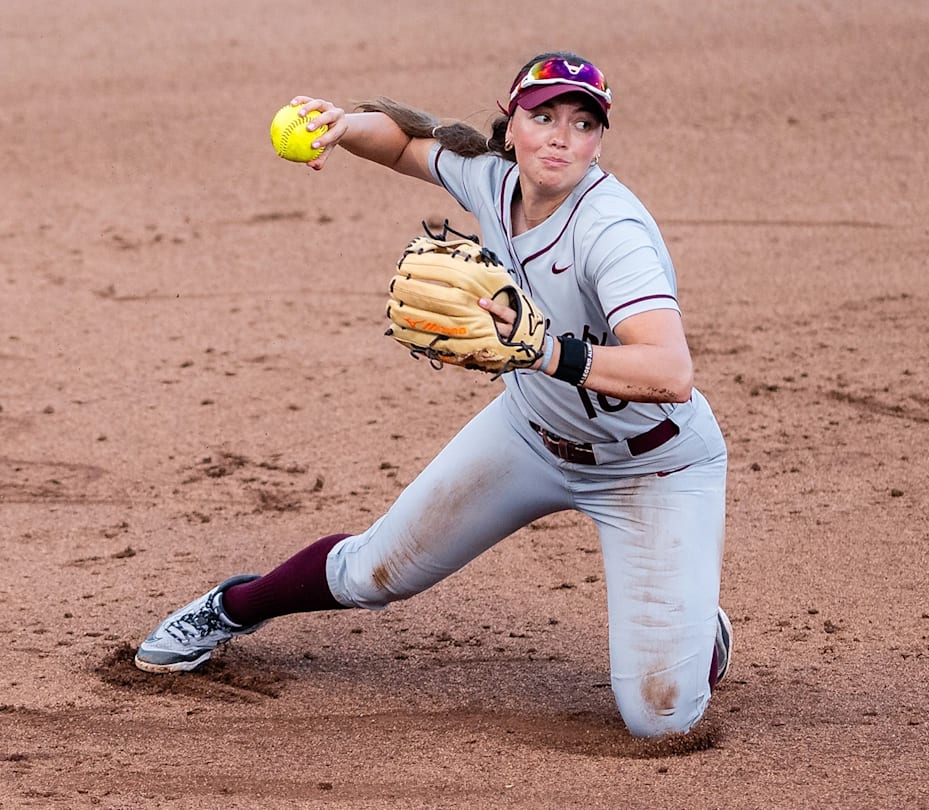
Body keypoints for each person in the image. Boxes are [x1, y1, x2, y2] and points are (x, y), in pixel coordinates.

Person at [134, 51, 733, 738]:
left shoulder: (613, 233)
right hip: (530, 436)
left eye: (582, 122)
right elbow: (404, 145)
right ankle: (230, 607)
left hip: (651, 466)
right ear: (512, 128)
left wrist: (544, 350)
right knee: (375, 571)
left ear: (599, 138)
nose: (562, 137)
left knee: (659, 721)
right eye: (544, 117)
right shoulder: (491, 181)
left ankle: (696, 631)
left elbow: (670, 372)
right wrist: (343, 125)